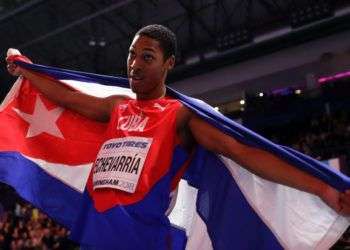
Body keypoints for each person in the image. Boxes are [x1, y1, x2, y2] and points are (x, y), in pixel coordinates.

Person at [5, 24, 350, 248]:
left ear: (168, 63)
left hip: (143, 241)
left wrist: (321, 186)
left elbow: (243, 151)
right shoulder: (116, 107)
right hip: (96, 239)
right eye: (131, 55)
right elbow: (68, 98)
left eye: (147, 57)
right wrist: (26, 68)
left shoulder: (181, 118)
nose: (135, 64)